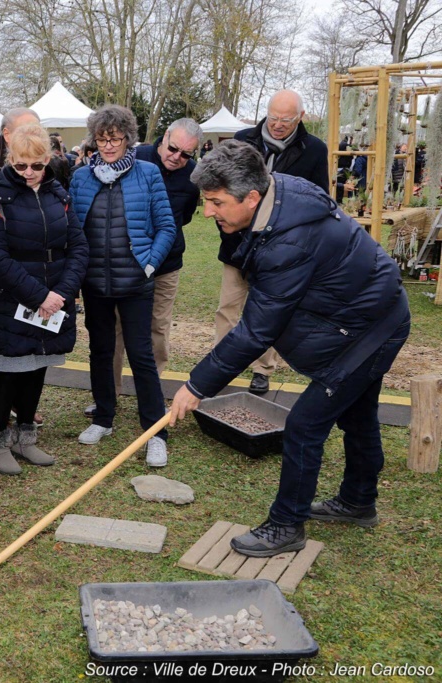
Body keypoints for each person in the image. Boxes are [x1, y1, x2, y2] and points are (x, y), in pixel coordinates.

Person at [169, 141, 410, 556]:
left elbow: (255, 332)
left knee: (304, 426)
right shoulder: (277, 198)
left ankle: (286, 525)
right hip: (364, 313)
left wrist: (195, 386)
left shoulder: (289, 243)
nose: (208, 212)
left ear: (252, 197)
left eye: (216, 203)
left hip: (369, 330)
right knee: (358, 415)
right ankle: (357, 501)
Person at [70, 105, 176, 466]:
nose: (108, 146)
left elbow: (166, 226)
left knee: (142, 356)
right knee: (100, 352)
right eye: (102, 139)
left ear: (127, 137)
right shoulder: (81, 177)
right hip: (95, 283)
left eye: (114, 138)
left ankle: (155, 431)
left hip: (136, 283)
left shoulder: (147, 173)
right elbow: (73, 230)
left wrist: (149, 264)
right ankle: (103, 417)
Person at [0, 124, 88, 475]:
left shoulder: (60, 195)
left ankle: (27, 435)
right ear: (10, 160)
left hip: (53, 301)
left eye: (36, 166)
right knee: (5, 371)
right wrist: (39, 296)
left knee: (37, 366)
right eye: (20, 166)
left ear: (48, 160)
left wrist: (60, 294)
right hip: (12, 302)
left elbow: (78, 246)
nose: (28, 173)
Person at [227, 89, 329, 395]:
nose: (279, 124)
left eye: (286, 119)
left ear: (300, 116)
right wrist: (229, 231)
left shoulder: (313, 149)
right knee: (228, 308)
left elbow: (318, 197)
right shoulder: (242, 138)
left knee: (270, 309)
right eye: (274, 117)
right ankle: (222, 364)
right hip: (237, 241)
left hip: (280, 246)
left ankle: (263, 369)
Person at [109, 119, 201, 396]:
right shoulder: (132, 159)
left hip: (167, 264)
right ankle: (109, 392)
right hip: (125, 261)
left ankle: (150, 391)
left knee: (158, 327)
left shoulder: (193, 175)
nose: (177, 157)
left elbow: (183, 217)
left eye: (186, 154)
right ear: (164, 138)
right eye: (173, 148)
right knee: (116, 328)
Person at [0, 107, 42, 181]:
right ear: (7, 135)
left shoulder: (52, 162)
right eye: (25, 132)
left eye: (37, 132)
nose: (33, 137)